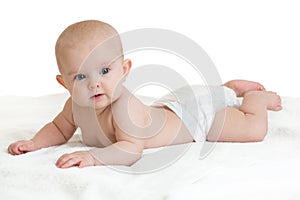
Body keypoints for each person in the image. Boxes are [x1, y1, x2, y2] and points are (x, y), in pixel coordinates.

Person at [7, 20, 282, 168]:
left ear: (124, 69)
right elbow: (58, 128)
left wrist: (93, 158)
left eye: (104, 71)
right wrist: (36, 143)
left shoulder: (123, 108)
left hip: (195, 119)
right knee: (211, 95)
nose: (94, 84)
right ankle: (228, 89)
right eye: (80, 76)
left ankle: (255, 99)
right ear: (63, 83)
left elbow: (130, 150)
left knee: (252, 129)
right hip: (173, 105)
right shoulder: (74, 106)